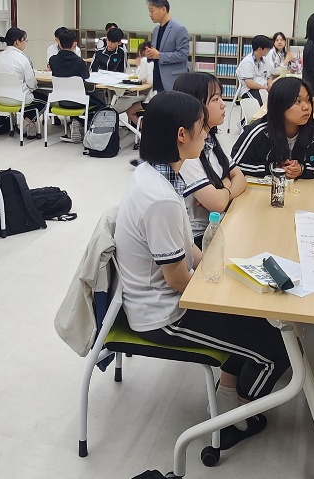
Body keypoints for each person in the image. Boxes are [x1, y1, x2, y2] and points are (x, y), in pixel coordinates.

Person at [119, 91, 291, 441]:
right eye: (202, 126)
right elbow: (177, 280)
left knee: (258, 320)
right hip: (164, 314)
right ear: (182, 135)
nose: (208, 132)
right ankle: (240, 415)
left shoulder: (159, 174)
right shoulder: (160, 199)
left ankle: (228, 394)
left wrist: (226, 271)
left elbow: (188, 250)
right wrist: (226, 295)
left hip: (168, 297)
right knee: (277, 350)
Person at [171, 73, 248, 246]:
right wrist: (226, 183)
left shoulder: (209, 140)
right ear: (194, 105)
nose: (223, 104)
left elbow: (240, 177)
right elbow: (217, 204)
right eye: (215, 99)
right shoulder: (187, 152)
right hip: (198, 239)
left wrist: (223, 189)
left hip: (220, 223)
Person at [230, 76, 314, 179]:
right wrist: (272, 168)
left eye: (308, 100)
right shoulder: (258, 132)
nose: (306, 107)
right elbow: (234, 165)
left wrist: (302, 169)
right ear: (280, 105)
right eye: (298, 101)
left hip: (304, 189)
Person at [0, 26, 46, 136]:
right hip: (18, 99)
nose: (25, 43)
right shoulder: (22, 58)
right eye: (24, 40)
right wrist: (34, 88)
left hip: (0, 98)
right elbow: (31, 83)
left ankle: (25, 125)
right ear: (17, 42)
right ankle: (24, 124)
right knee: (45, 100)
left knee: (32, 100)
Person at [49, 26, 96, 142]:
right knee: (101, 104)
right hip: (79, 102)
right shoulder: (79, 62)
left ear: (60, 44)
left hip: (61, 101)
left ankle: (75, 122)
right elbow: (86, 77)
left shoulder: (52, 60)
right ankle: (80, 123)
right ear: (75, 44)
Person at [142, 0, 190, 91]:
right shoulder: (156, 30)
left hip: (174, 81)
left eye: (152, 11)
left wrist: (159, 55)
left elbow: (183, 55)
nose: (150, 15)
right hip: (158, 78)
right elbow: (156, 53)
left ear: (163, 10)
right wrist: (150, 54)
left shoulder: (179, 29)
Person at [114, 40, 154, 131]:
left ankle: (147, 131)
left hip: (151, 101)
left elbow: (141, 78)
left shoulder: (145, 62)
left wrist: (139, 65)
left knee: (130, 111)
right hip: (159, 98)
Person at [235, 34, 274, 104]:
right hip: (249, 90)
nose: (268, 51)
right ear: (259, 49)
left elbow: (268, 77)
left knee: (275, 99)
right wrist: (265, 88)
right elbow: (249, 84)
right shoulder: (247, 62)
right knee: (260, 103)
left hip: (263, 88)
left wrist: (270, 86)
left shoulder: (265, 60)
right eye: (267, 49)